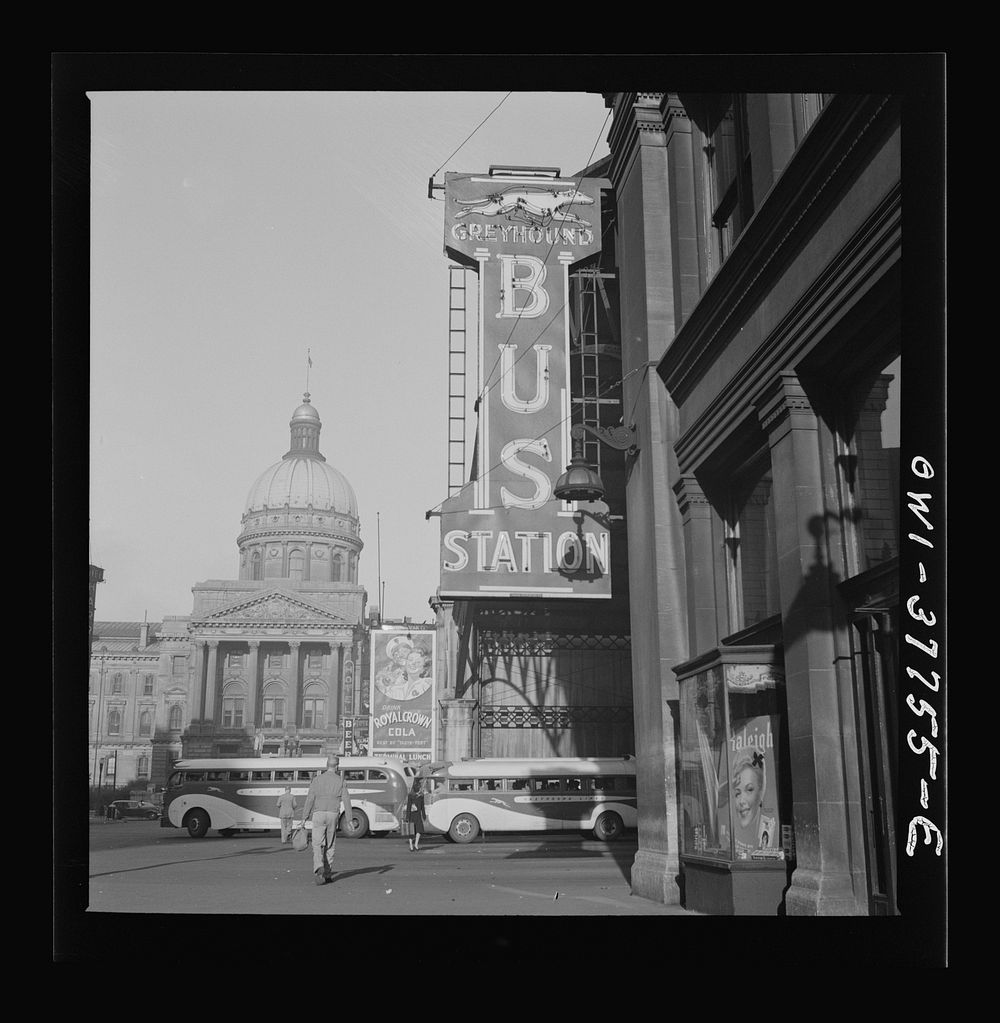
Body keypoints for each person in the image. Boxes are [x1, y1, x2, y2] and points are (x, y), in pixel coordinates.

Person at [301, 754, 354, 885]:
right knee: (330, 844)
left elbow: (309, 799)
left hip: (318, 813)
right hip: (333, 814)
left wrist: (304, 818)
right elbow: (347, 800)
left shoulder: (316, 780)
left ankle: (318, 865)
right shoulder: (340, 780)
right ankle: (328, 873)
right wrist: (349, 819)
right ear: (337, 766)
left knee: (317, 843)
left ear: (326, 765)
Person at [730, 750, 778, 859]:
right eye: (737, 793)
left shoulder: (769, 831)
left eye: (749, 789)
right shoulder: (732, 838)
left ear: (761, 791)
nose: (742, 801)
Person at [405, 777, 427, 852]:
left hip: (418, 815)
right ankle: (411, 845)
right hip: (411, 815)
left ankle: (416, 844)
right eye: (419, 787)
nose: (420, 789)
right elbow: (408, 806)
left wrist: (424, 815)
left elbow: (422, 807)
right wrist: (407, 817)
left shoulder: (421, 796)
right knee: (411, 832)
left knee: (419, 831)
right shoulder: (411, 795)